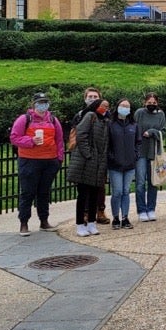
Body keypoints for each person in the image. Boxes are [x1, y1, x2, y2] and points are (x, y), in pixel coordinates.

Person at [9, 92, 64, 236]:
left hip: (49, 160)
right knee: (28, 192)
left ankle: (44, 221)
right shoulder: (24, 119)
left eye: (45, 102)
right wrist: (31, 141)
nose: (43, 105)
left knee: (44, 193)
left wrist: (59, 158)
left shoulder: (53, 119)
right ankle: (24, 223)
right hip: (29, 160)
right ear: (33, 105)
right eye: (40, 102)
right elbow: (14, 138)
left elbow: (59, 139)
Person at [67, 97, 111, 237]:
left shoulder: (105, 121)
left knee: (94, 195)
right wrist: (88, 154)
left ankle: (92, 223)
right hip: (86, 162)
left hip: (98, 163)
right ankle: (80, 224)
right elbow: (81, 134)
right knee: (83, 195)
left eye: (107, 107)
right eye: (103, 106)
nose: (105, 108)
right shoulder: (90, 116)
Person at [134, 91, 166, 222]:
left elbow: (163, 132)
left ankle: (151, 208)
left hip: (154, 152)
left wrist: (153, 132)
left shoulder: (161, 115)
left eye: (154, 103)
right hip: (141, 151)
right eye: (149, 103)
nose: (152, 104)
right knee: (140, 182)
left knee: (154, 182)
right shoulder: (139, 113)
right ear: (145, 103)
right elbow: (135, 129)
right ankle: (141, 210)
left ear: (157, 103)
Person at [107, 97, 140, 230]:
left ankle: (125, 217)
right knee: (117, 192)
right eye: (122, 105)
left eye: (127, 106)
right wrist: (111, 157)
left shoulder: (134, 125)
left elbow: (138, 142)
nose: (125, 108)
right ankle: (115, 217)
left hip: (130, 164)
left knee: (126, 191)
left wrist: (135, 155)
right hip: (115, 164)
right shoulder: (111, 124)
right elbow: (107, 144)